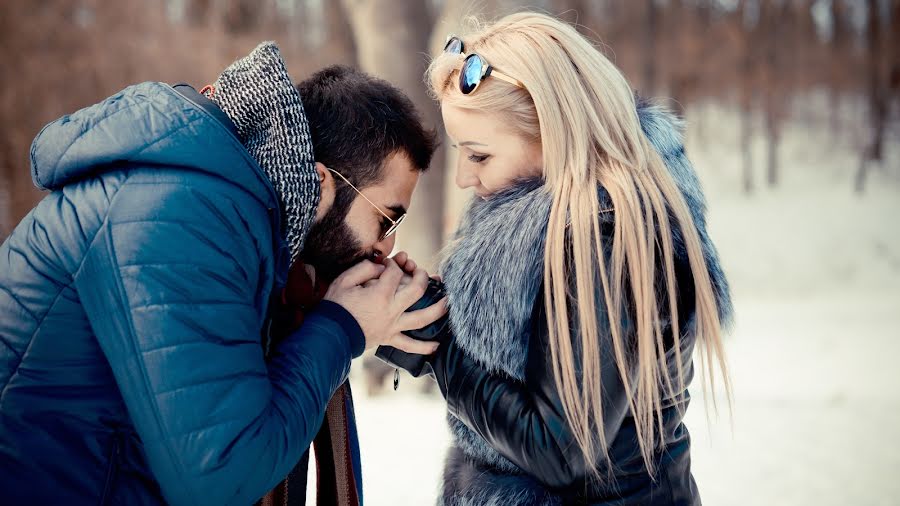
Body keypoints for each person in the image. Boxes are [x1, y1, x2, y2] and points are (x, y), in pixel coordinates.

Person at [0, 41, 446, 505]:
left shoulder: (215, 204)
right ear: (317, 187)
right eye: (386, 219)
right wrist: (341, 328)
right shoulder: (177, 216)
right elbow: (222, 477)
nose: (387, 246)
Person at [412, 12, 734, 505]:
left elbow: (561, 451)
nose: (462, 178)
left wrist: (439, 349)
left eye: (478, 155)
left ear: (553, 133)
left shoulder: (606, 238)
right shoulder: (537, 216)